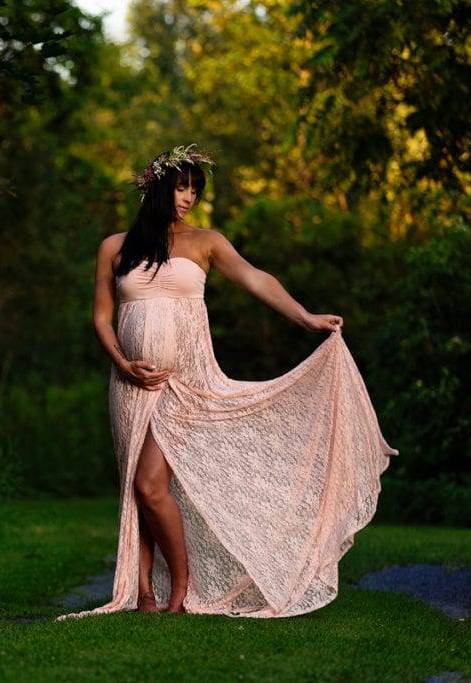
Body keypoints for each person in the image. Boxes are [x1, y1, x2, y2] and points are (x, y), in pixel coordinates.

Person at [58, 145, 395, 620]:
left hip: (189, 385)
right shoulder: (114, 247)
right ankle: (144, 595)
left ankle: (181, 584)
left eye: (195, 189)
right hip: (129, 384)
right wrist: (122, 363)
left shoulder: (205, 242)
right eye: (181, 187)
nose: (189, 197)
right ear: (158, 187)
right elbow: (101, 318)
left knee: (151, 485)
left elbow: (257, 279)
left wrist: (304, 317)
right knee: (135, 487)